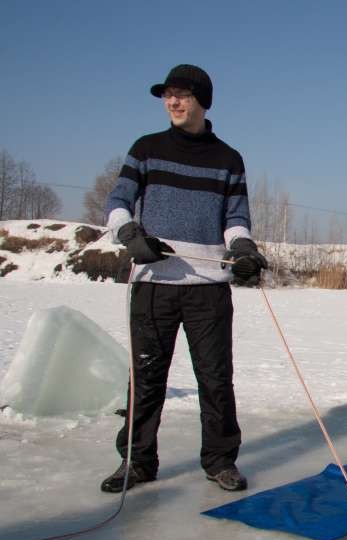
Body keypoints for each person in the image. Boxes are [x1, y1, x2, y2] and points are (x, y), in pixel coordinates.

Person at [101, 64, 268, 493]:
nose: (173, 102)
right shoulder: (146, 149)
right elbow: (119, 200)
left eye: (182, 95)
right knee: (146, 377)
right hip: (154, 283)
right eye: (167, 95)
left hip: (208, 289)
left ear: (202, 101)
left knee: (215, 379)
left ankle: (219, 460)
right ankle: (137, 462)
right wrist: (129, 234)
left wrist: (243, 248)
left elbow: (235, 218)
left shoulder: (228, 160)